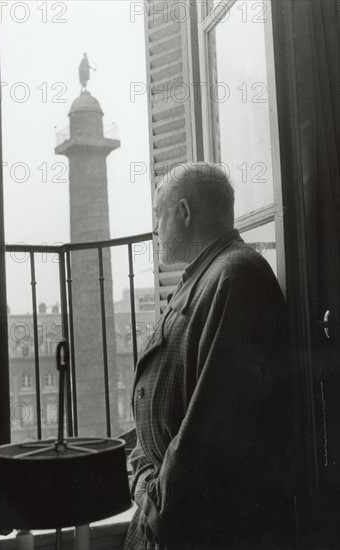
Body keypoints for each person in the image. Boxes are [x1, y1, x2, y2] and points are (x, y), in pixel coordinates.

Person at [123, 163, 294, 549]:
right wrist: (141, 472)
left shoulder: (236, 276)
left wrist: (155, 506)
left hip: (194, 530)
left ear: (184, 212)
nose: (155, 229)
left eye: (158, 216)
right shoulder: (207, 276)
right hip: (170, 519)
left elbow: (209, 431)